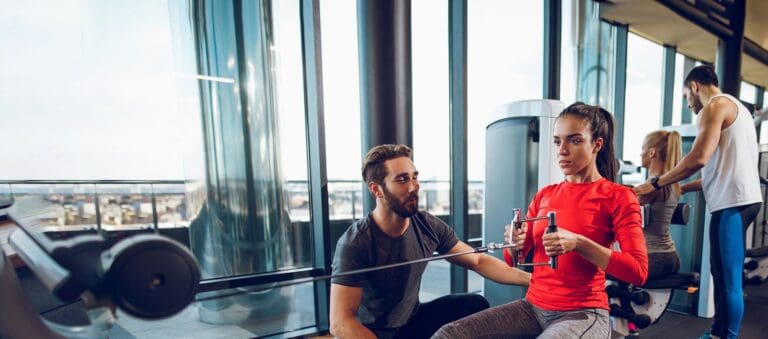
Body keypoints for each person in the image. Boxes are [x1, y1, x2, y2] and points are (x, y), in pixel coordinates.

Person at [433, 102, 648, 338]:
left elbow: (637, 271)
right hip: (533, 307)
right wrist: (515, 243)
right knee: (449, 334)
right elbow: (514, 260)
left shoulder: (618, 196)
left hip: (583, 313)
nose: (562, 150)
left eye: (574, 140)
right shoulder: (545, 194)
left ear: (597, 144)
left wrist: (579, 243)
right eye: (558, 141)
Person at [329, 144, 531, 339]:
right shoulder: (355, 243)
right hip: (373, 333)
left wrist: (533, 281)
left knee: (473, 304)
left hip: (411, 322)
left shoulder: (426, 224)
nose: (413, 187)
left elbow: (478, 261)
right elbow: (340, 322)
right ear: (377, 190)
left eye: (414, 177)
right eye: (401, 180)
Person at [634, 65, 762, 339]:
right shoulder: (737, 109)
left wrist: (657, 182)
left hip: (732, 204)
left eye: (686, 96)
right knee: (722, 274)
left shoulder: (714, 107)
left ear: (694, 87)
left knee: (727, 278)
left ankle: (725, 336)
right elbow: (713, 174)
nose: (688, 104)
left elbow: (699, 158)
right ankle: (719, 332)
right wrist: (681, 187)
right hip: (742, 201)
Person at [639, 130, 683, 280]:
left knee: (599, 267)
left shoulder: (653, 186)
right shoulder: (672, 184)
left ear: (652, 152)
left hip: (653, 258)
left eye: (642, 149)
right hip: (670, 256)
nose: (640, 154)